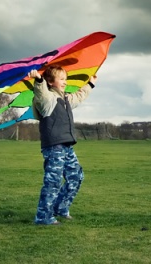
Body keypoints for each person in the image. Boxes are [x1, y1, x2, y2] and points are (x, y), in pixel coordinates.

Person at [28, 65, 97, 225]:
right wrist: (39, 80)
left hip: (67, 146)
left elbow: (79, 96)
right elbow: (41, 93)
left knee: (76, 177)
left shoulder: (65, 99)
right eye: (61, 79)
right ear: (51, 82)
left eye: (65, 79)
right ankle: (43, 216)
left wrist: (90, 84)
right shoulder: (47, 100)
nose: (65, 82)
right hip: (54, 147)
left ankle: (60, 208)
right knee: (53, 181)